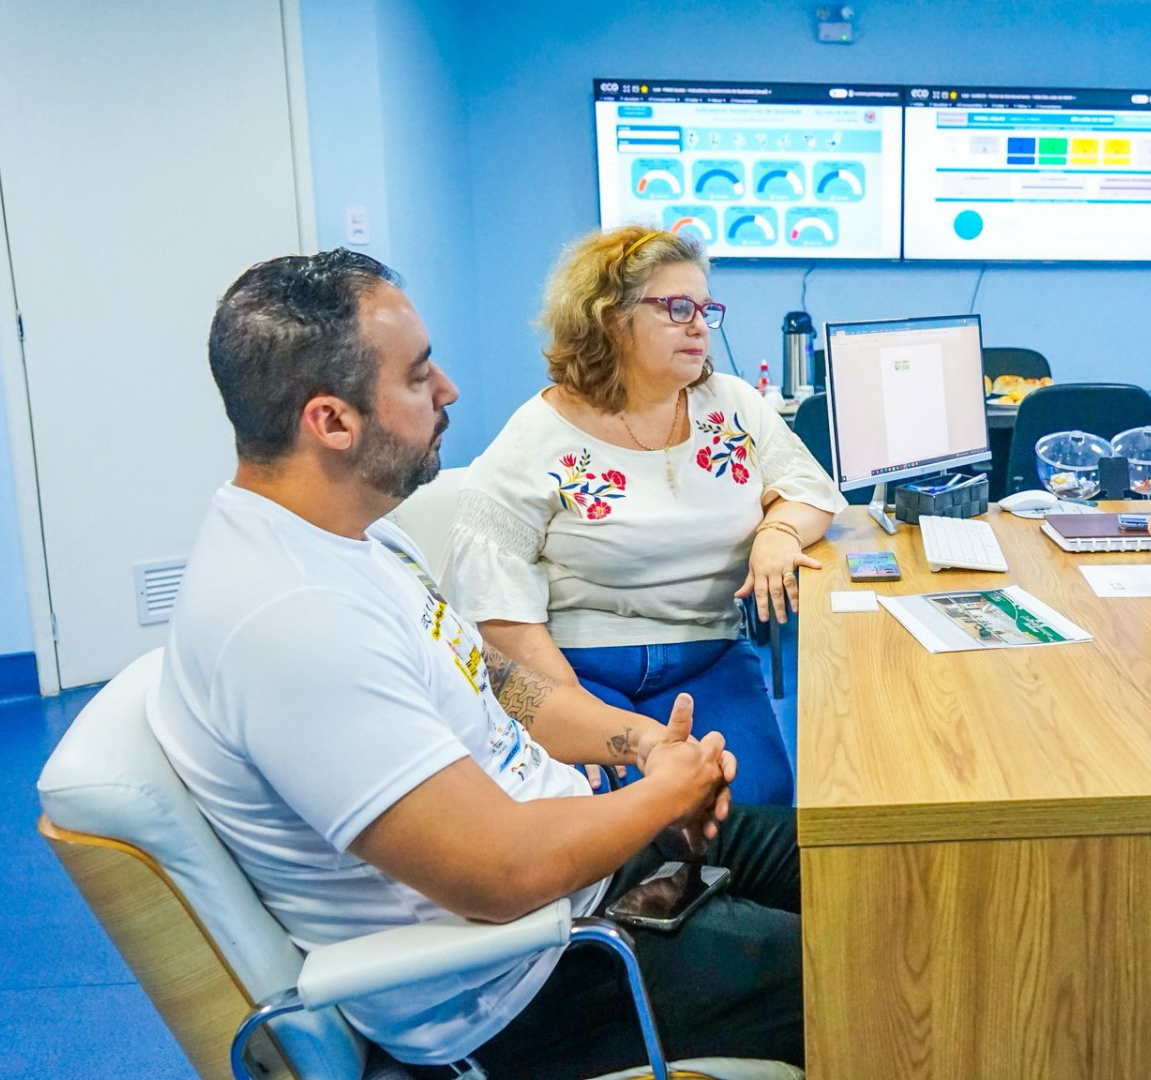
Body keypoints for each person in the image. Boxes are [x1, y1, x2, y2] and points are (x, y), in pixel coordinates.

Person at [150, 249, 803, 1078]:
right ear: (332, 422)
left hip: (590, 872)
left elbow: (500, 685)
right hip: (534, 981)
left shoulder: (354, 534)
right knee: (895, 961)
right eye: (419, 377)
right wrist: (658, 799)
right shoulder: (292, 622)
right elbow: (500, 873)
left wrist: (641, 747)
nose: (450, 390)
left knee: (880, 868)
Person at [444, 225, 843, 807]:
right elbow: (497, 614)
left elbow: (810, 490)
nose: (700, 324)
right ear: (609, 318)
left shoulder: (732, 404)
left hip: (707, 654)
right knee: (638, 820)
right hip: (581, 667)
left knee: (757, 809)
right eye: (677, 307)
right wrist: (568, 720)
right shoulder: (535, 436)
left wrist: (778, 532)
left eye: (706, 309)